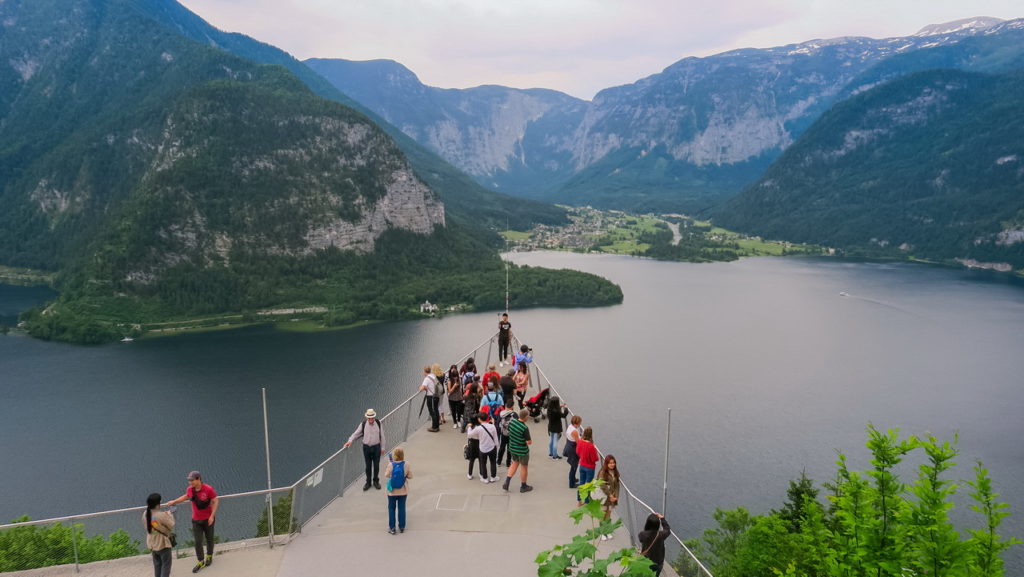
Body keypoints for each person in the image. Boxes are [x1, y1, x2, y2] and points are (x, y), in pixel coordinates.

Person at [166, 471, 218, 573]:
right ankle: (200, 561)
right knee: (198, 542)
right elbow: (186, 496)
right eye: (189, 480)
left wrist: (212, 516)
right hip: (196, 520)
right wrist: (174, 501)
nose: (190, 482)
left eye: (192, 480)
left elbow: (216, 500)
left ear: (198, 479)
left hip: (208, 519)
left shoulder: (208, 489)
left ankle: (209, 556)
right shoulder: (190, 489)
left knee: (209, 539)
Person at [343, 408, 386, 491]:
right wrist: (349, 441)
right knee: (368, 466)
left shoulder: (379, 423)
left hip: (376, 447)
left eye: (372, 417)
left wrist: (383, 447)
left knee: (376, 466)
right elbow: (355, 434)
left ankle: (376, 481)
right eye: (369, 418)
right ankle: (368, 482)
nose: (371, 419)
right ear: (367, 418)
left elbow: (382, 436)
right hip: (366, 448)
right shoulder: (363, 424)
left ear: (374, 417)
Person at [144, 493, 174, 577]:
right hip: (162, 543)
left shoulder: (145, 513)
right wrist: (170, 515)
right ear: (158, 503)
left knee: (157, 566)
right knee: (166, 565)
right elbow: (171, 524)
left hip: (152, 543)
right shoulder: (160, 515)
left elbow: (153, 524)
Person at [502, 409, 533, 493]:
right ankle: (523, 486)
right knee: (524, 467)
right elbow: (529, 442)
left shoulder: (512, 422)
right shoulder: (524, 428)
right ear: (526, 417)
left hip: (512, 448)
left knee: (514, 463)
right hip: (522, 451)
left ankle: (507, 481)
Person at [384, 447, 412, 534]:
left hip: (392, 491)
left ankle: (392, 528)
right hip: (403, 490)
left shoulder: (391, 465)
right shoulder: (407, 464)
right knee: (401, 508)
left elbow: (386, 475)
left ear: (395, 455)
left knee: (391, 508)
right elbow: (410, 476)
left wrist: (389, 466)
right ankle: (402, 526)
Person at [597, 455, 620, 541]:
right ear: (606, 463)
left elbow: (617, 485)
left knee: (608, 515)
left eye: (613, 462)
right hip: (603, 497)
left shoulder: (615, 472)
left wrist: (616, 497)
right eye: (610, 463)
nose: (612, 464)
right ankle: (602, 532)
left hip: (611, 498)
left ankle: (608, 531)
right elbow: (602, 485)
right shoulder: (602, 472)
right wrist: (610, 495)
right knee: (602, 515)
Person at [471, 412, 499, 483]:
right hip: (492, 447)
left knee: (483, 463)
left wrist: (469, 428)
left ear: (479, 419)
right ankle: (493, 477)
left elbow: (469, 435)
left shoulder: (478, 428)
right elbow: (496, 438)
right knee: (493, 462)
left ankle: (485, 478)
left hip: (483, 448)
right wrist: (497, 446)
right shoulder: (492, 426)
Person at [575, 427, 599, 506]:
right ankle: (587, 500)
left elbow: (577, 452)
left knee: (581, 483)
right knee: (588, 484)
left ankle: (579, 500)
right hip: (590, 467)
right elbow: (594, 459)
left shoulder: (580, 442)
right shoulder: (591, 446)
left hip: (582, 465)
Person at [418, 366, 441, 432]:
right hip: (436, 396)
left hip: (431, 397)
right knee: (436, 410)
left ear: (425, 372)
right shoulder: (433, 376)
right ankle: (437, 426)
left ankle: (434, 427)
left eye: (423, 372)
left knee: (432, 411)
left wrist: (421, 387)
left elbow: (421, 388)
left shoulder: (427, 379)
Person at [496, 397, 516, 467]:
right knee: (509, 448)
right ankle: (508, 463)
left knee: (502, 447)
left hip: (503, 433)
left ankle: (499, 461)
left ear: (505, 405)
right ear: (512, 406)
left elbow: (497, 423)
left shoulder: (501, 414)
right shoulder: (515, 414)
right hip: (511, 434)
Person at [564, 415, 583, 488]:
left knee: (573, 466)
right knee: (574, 466)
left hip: (569, 446)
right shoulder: (574, 431)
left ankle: (573, 479)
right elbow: (578, 442)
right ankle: (571, 484)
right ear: (577, 423)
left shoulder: (570, 427)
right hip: (573, 449)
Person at [447, 364, 465, 430]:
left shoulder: (459, 379)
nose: (455, 378)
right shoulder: (449, 381)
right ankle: (455, 422)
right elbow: (449, 391)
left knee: (459, 410)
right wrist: (454, 386)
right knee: (453, 411)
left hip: (459, 397)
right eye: (454, 377)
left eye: (456, 376)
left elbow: (461, 388)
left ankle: (459, 421)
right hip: (452, 398)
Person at [465, 416, 481, 480]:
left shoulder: (471, 428)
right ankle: (481, 473)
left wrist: (469, 427)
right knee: (481, 460)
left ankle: (470, 474)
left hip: (472, 445)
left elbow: (469, 436)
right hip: (480, 445)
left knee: (471, 460)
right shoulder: (480, 427)